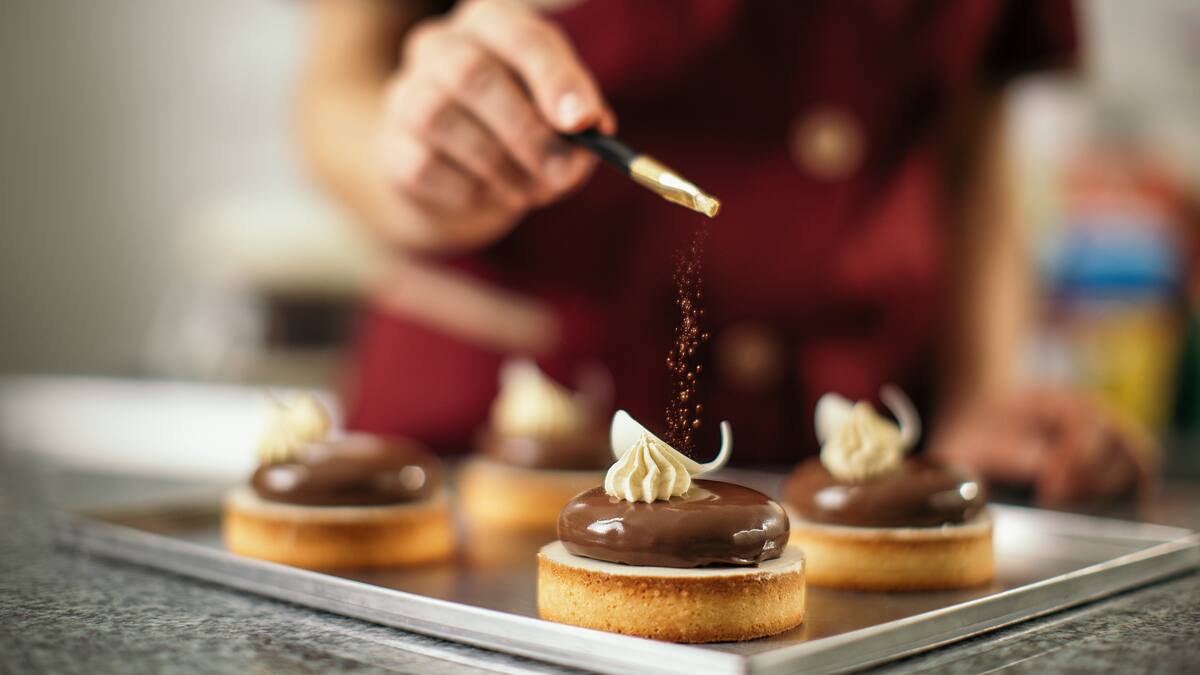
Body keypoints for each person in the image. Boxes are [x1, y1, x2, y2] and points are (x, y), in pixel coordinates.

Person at [298, 0, 1154, 506]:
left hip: (858, 457)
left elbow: (971, 143)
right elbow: (340, 81)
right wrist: (410, 157)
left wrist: (980, 399)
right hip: (487, 451)